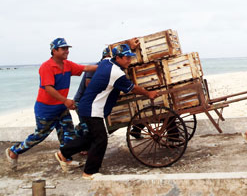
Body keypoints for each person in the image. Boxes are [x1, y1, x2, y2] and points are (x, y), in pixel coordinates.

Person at [54, 44, 158, 180]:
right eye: (126, 58)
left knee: (92, 137)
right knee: (101, 140)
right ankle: (89, 172)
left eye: (130, 58)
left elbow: (111, 53)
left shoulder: (106, 62)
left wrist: (130, 45)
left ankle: (63, 153)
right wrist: (149, 93)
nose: (129, 61)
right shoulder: (116, 72)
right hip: (92, 108)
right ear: (118, 58)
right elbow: (133, 88)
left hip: (87, 106)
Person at [5, 38, 98, 170]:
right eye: (63, 48)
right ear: (54, 51)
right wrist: (65, 100)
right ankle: (13, 151)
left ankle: (66, 159)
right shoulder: (46, 67)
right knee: (39, 135)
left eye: (67, 48)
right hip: (46, 110)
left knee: (68, 134)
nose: (67, 51)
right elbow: (48, 88)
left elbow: (86, 68)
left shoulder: (67, 64)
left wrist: (106, 66)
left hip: (61, 108)